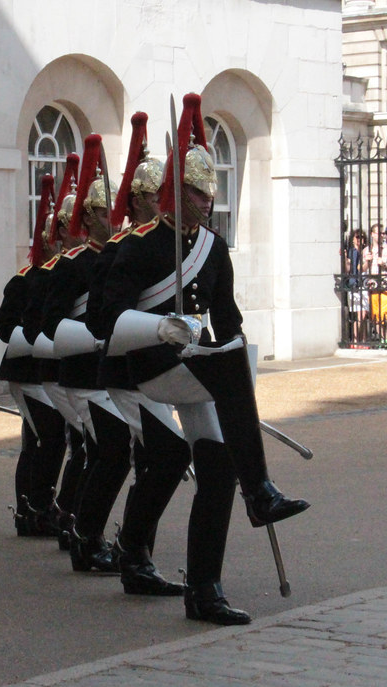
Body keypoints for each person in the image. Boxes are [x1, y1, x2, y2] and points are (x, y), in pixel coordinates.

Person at [98, 93, 310, 626]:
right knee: (224, 380)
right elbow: (106, 321)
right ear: (174, 191)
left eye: (209, 190)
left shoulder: (213, 249)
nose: (206, 200)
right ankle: (260, 491)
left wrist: (239, 355)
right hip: (150, 367)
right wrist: (160, 325)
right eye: (196, 191)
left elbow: (228, 319)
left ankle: (205, 588)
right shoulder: (141, 245)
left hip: (197, 370)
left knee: (216, 469)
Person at [85, 111, 187, 596]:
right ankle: (129, 550)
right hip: (127, 372)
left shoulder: (176, 246)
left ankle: (137, 551)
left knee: (154, 459)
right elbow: (102, 320)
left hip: (166, 373)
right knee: (160, 455)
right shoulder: (122, 247)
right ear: (142, 198)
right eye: (154, 193)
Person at [45, 133, 131, 574]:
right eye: (104, 212)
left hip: (109, 375)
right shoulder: (74, 264)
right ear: (90, 216)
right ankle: (82, 531)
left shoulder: (118, 256)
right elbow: (52, 324)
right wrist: (97, 338)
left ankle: (80, 526)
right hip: (82, 374)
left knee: (105, 453)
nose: (112, 218)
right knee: (106, 451)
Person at [0, 175, 68, 536]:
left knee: (41, 437)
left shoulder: (63, 276)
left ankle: (32, 506)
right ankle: (35, 506)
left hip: (47, 371)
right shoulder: (25, 280)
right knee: (48, 437)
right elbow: (4, 326)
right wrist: (39, 341)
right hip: (26, 370)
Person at [25, 154, 87, 549]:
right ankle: (52, 511)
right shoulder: (51, 273)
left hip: (87, 371)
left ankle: (68, 514)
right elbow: (34, 328)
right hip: (61, 374)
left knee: (78, 445)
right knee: (63, 443)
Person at [363, 223, 387, 342]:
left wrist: (383, 263)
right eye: (379, 233)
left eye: (383, 233)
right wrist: (367, 262)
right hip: (372, 284)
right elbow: (361, 269)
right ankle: (385, 339)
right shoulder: (366, 250)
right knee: (375, 315)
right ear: (372, 234)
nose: (382, 235)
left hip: (385, 283)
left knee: (385, 314)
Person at [343, 228, 369, 343]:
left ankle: (362, 339)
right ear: (353, 239)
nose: (360, 239)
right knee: (361, 315)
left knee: (363, 315)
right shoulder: (353, 252)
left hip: (363, 284)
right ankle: (355, 340)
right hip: (356, 285)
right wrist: (368, 262)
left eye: (362, 237)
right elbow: (356, 269)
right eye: (357, 237)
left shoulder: (362, 251)